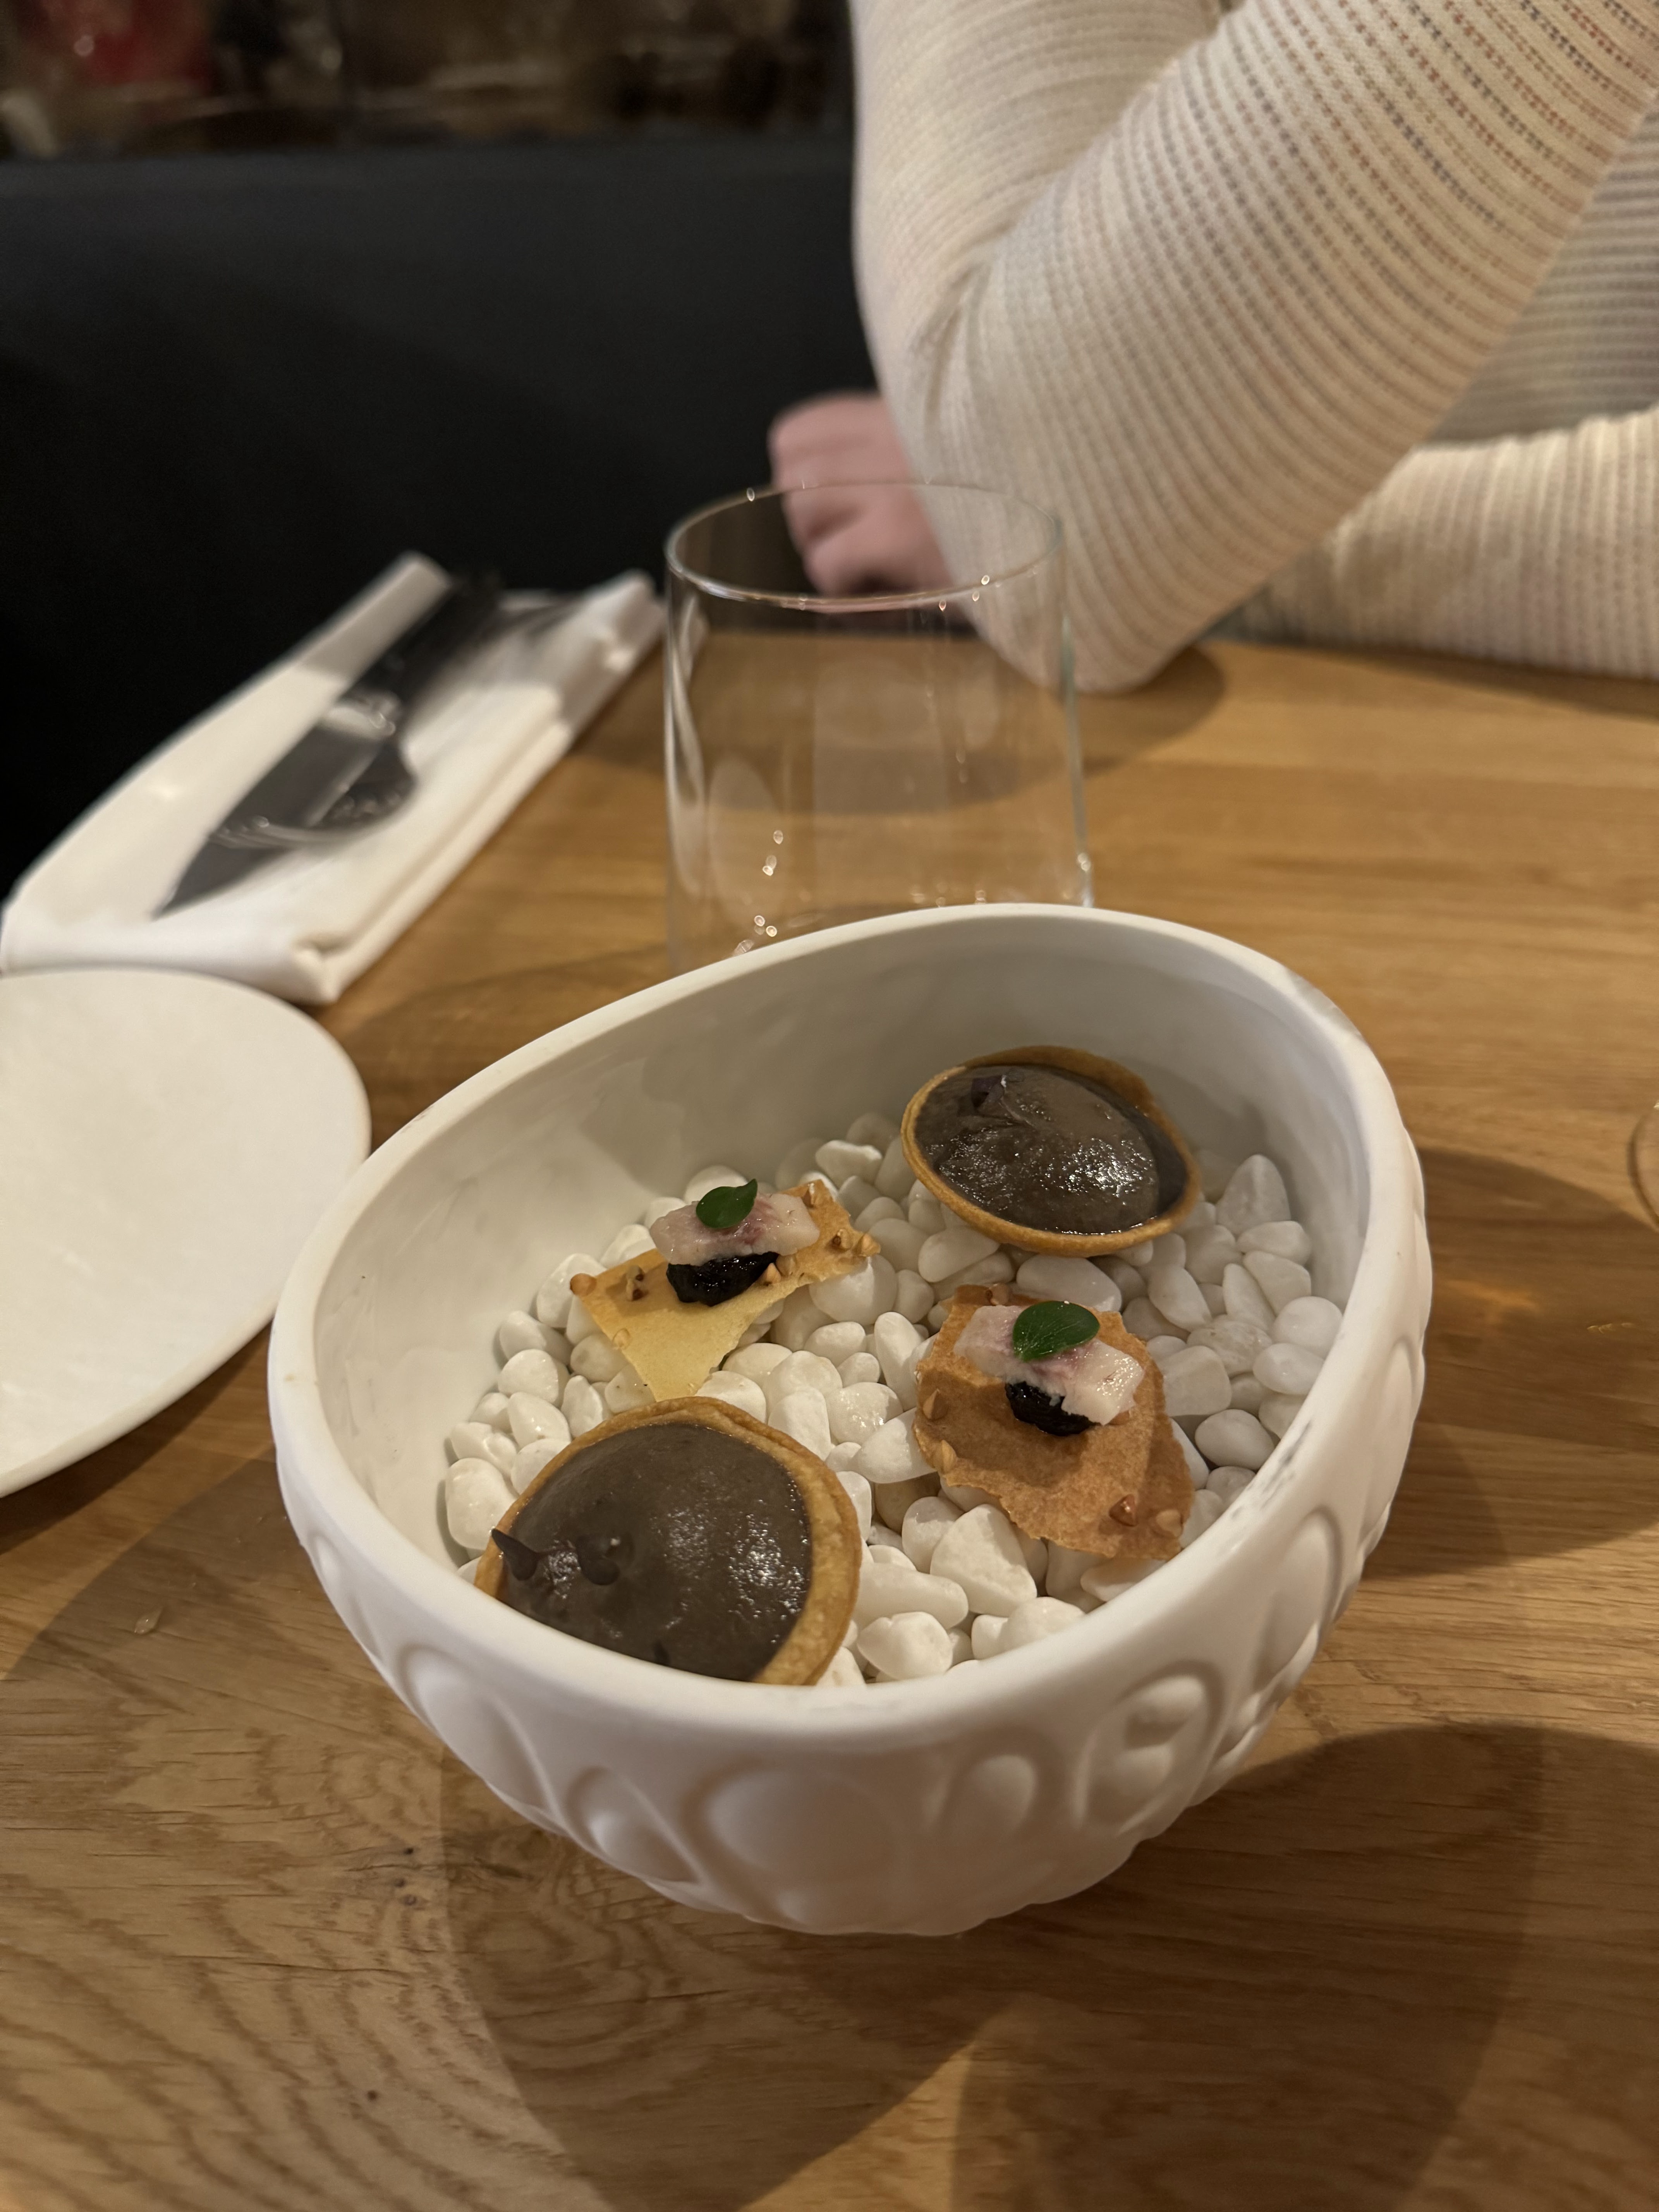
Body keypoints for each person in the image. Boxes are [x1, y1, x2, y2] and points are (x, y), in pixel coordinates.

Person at [773, 0, 1659, 689]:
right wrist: (1100, 529)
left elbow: (1047, 541)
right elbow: (1047, 504)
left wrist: (1224, 547)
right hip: (1201, 770)